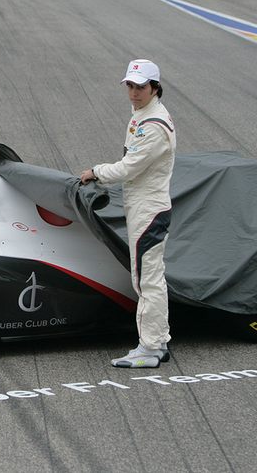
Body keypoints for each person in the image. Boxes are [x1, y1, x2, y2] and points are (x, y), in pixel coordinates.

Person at [79, 59, 176, 369]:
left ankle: (150, 347)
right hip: (142, 206)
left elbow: (128, 168)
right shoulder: (141, 114)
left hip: (149, 209)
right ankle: (157, 341)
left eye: (141, 87)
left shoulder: (154, 125)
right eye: (130, 86)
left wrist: (96, 172)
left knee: (147, 280)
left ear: (155, 88)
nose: (134, 92)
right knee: (147, 278)